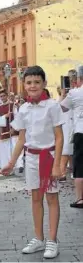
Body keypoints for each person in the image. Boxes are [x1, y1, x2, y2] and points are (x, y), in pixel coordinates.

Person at [2, 65, 64, 259]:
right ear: (24, 85)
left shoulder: (52, 106)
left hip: (49, 157)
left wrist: (57, 165)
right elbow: (21, 138)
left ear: (44, 84)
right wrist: (11, 162)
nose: (33, 86)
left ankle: (52, 241)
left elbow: (59, 137)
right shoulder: (24, 108)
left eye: (37, 82)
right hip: (31, 159)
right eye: (29, 82)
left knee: (51, 198)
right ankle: (39, 238)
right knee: (35, 198)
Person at [61, 65, 83, 208]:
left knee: (80, 167)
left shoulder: (75, 93)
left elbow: (62, 107)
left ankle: (80, 199)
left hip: (80, 132)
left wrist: (64, 94)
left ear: (80, 78)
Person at [0, 89, 24, 171]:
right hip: (4, 131)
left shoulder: (13, 105)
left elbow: (17, 116)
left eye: (4, 96)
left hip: (13, 130)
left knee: (16, 147)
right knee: (6, 150)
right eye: (1, 96)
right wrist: (5, 116)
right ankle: (8, 167)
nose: (2, 97)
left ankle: (19, 165)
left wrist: (14, 128)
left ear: (7, 96)